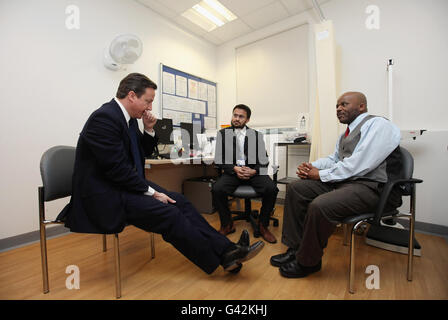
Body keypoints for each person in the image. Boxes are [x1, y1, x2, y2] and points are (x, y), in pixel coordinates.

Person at [58, 73, 264, 275]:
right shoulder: (104, 118)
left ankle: (227, 250)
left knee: (180, 202)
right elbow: (115, 169)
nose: (149, 108)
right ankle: (221, 258)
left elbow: (142, 153)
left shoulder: (127, 119)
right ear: (131, 95)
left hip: (122, 185)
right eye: (147, 101)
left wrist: (148, 129)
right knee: (169, 213)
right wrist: (152, 193)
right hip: (104, 194)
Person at [270, 91, 402, 278]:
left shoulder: (378, 125)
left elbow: (360, 163)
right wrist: (312, 166)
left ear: (361, 106)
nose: (339, 109)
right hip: (348, 183)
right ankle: (296, 248)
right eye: (337, 106)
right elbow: (335, 160)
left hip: (374, 188)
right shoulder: (344, 135)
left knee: (320, 205)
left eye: (344, 104)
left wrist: (320, 175)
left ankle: (308, 262)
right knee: (297, 188)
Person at [212, 104, 279, 243]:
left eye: (241, 116)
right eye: (235, 115)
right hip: (233, 172)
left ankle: (262, 225)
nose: (236, 119)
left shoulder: (255, 135)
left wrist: (254, 171)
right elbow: (219, 159)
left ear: (247, 120)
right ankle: (227, 224)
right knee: (217, 189)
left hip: (253, 172)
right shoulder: (223, 134)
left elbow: (264, 160)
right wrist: (234, 168)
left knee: (271, 188)